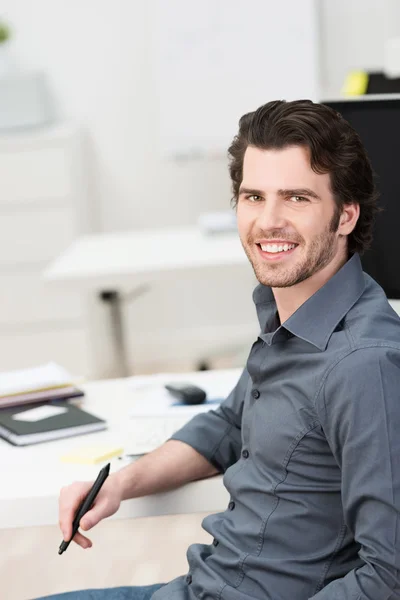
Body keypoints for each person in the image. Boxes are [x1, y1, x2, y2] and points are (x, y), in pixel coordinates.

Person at [38, 99, 400, 600]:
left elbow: (390, 575)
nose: (268, 221)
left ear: (345, 215)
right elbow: (229, 425)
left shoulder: (363, 364)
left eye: (296, 198)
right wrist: (120, 484)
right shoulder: (291, 318)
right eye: (253, 196)